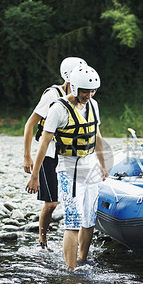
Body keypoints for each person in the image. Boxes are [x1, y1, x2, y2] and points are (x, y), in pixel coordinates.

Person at [25, 65, 108, 270]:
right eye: (85, 91)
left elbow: (96, 136)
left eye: (92, 91)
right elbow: (44, 144)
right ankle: (71, 271)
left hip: (90, 167)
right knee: (73, 220)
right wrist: (35, 175)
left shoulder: (93, 105)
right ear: (75, 87)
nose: (88, 95)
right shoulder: (58, 109)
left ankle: (82, 260)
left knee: (89, 218)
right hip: (68, 168)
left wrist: (103, 166)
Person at [23, 57, 87, 251]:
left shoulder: (83, 99)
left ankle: (77, 241)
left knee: (76, 201)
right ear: (69, 77)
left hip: (71, 156)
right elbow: (30, 124)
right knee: (51, 204)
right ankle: (42, 241)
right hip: (50, 155)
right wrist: (27, 157)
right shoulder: (53, 95)